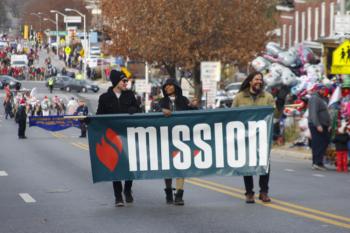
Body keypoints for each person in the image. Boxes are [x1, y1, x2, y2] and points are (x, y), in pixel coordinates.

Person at [96, 70, 140, 207]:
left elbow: (139, 110)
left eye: (127, 81)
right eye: (123, 81)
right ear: (116, 82)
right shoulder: (104, 98)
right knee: (114, 166)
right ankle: (118, 196)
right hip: (112, 137)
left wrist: (134, 109)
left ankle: (127, 190)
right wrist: (89, 122)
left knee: (129, 164)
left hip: (128, 135)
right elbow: (99, 115)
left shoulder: (130, 95)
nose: (126, 83)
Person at [231, 71, 275, 204]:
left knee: (264, 165)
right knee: (247, 165)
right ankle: (249, 193)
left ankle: (264, 192)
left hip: (262, 136)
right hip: (245, 137)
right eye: (256, 79)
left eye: (260, 80)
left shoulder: (267, 97)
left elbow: (273, 114)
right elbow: (232, 115)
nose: (259, 82)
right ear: (250, 81)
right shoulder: (239, 97)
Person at [159, 78, 199, 205]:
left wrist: (193, 107)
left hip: (181, 138)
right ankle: (169, 192)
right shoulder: (161, 101)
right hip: (166, 138)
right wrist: (161, 111)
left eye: (170, 85)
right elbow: (152, 114)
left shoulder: (183, 100)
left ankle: (179, 195)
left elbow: (193, 116)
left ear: (175, 86)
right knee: (167, 167)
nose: (167, 88)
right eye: (165, 86)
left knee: (181, 165)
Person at [308, 84, 331, 171]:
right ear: (317, 90)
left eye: (324, 90)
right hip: (317, 125)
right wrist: (317, 125)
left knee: (324, 142)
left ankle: (319, 162)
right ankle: (316, 163)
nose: (323, 91)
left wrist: (328, 124)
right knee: (318, 144)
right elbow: (313, 113)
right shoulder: (315, 98)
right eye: (322, 90)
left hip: (323, 124)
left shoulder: (321, 98)